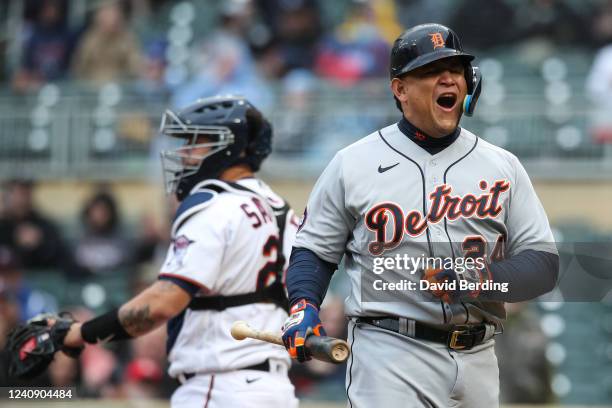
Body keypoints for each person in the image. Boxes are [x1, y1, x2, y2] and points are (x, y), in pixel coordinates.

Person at [280, 23, 559, 407]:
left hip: (478, 354)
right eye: (430, 71)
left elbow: (542, 266)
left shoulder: (502, 166)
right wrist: (303, 306)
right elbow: (314, 250)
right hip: (389, 351)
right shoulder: (354, 163)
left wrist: (479, 281)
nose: (448, 78)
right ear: (400, 89)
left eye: (456, 68)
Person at [29, 96, 299, 407]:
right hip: (275, 389)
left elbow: (162, 303)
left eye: (195, 142)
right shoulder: (282, 211)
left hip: (220, 385)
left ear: (229, 146)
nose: (184, 153)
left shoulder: (213, 205)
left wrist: (77, 334)